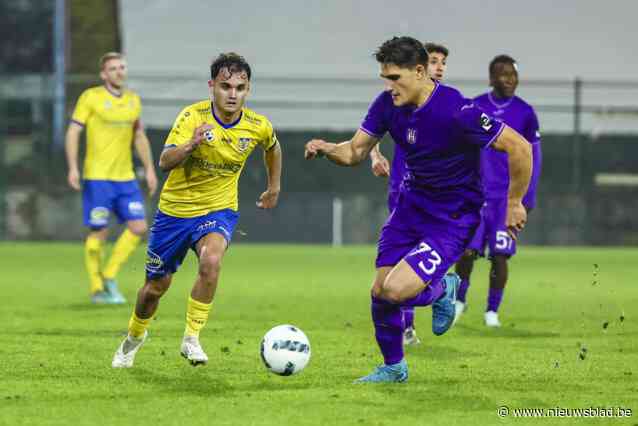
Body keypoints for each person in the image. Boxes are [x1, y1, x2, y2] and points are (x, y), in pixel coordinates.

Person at [304, 36, 531, 383]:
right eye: (385, 77)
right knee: (380, 291)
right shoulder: (386, 105)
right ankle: (394, 367)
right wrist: (326, 148)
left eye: (395, 77)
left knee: (397, 290)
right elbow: (354, 152)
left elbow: (520, 147)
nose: (389, 85)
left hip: (452, 218)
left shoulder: (458, 110)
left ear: (421, 72)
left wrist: (515, 202)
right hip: (410, 210)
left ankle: (444, 287)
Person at [111, 52, 282, 368]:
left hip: (218, 210)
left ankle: (191, 338)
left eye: (240, 88)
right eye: (225, 86)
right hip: (175, 213)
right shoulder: (192, 117)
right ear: (212, 86)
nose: (233, 94)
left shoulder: (257, 125)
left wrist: (274, 187)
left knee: (212, 260)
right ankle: (134, 337)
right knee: (154, 289)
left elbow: (272, 147)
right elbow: (164, 162)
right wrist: (191, 144)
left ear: (248, 90)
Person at [369, 42, 450, 347]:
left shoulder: (448, 106)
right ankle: (407, 328)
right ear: (420, 68)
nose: (438, 67)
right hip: (402, 191)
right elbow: (370, 132)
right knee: (395, 269)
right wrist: (375, 156)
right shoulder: (397, 98)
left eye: (442, 62)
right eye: (433, 61)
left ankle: (441, 290)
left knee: (411, 270)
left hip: (438, 201)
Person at [454, 55, 542, 327]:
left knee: (501, 255)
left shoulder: (526, 113)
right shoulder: (475, 107)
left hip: (507, 199)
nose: (510, 80)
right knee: (466, 252)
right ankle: (459, 301)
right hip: (476, 196)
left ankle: (492, 311)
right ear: (492, 78)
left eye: (514, 75)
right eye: (504, 74)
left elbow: (533, 157)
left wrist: (527, 198)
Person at [65, 52, 158, 304]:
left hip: (125, 177)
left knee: (138, 227)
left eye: (122, 67)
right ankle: (97, 287)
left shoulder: (133, 101)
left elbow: (139, 136)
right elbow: (73, 132)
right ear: (104, 74)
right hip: (97, 177)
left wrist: (149, 168)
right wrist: (73, 167)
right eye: (113, 68)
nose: (119, 71)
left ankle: (109, 274)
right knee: (99, 232)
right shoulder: (91, 97)